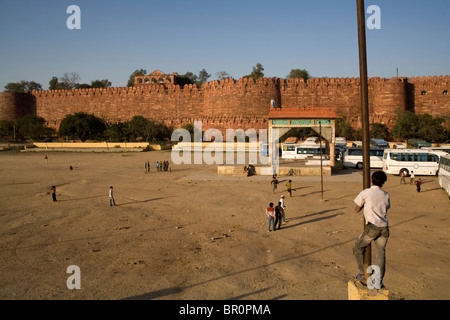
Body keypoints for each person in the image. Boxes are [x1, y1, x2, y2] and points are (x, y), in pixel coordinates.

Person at [353, 171, 390, 288]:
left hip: (373, 227)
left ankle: (362, 273)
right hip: (384, 227)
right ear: (383, 182)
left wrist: (365, 204)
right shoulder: (386, 194)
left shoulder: (366, 192)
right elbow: (386, 207)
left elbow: (357, 209)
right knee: (381, 254)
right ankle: (378, 280)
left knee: (357, 248)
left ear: (371, 179)